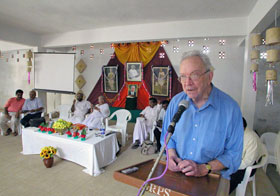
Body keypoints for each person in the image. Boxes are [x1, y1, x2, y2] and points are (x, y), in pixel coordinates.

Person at [160, 50, 243, 180]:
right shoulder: (176, 102)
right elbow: (167, 135)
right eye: (183, 76)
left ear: (209, 76)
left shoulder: (230, 109)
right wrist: (170, 154)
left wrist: (204, 168)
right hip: (178, 175)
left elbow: (234, 154)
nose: (187, 83)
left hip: (211, 178)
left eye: (194, 75)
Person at [229, 117, 261, 194]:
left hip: (246, 167)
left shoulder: (251, 138)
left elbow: (248, 162)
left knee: (231, 178)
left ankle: (223, 192)